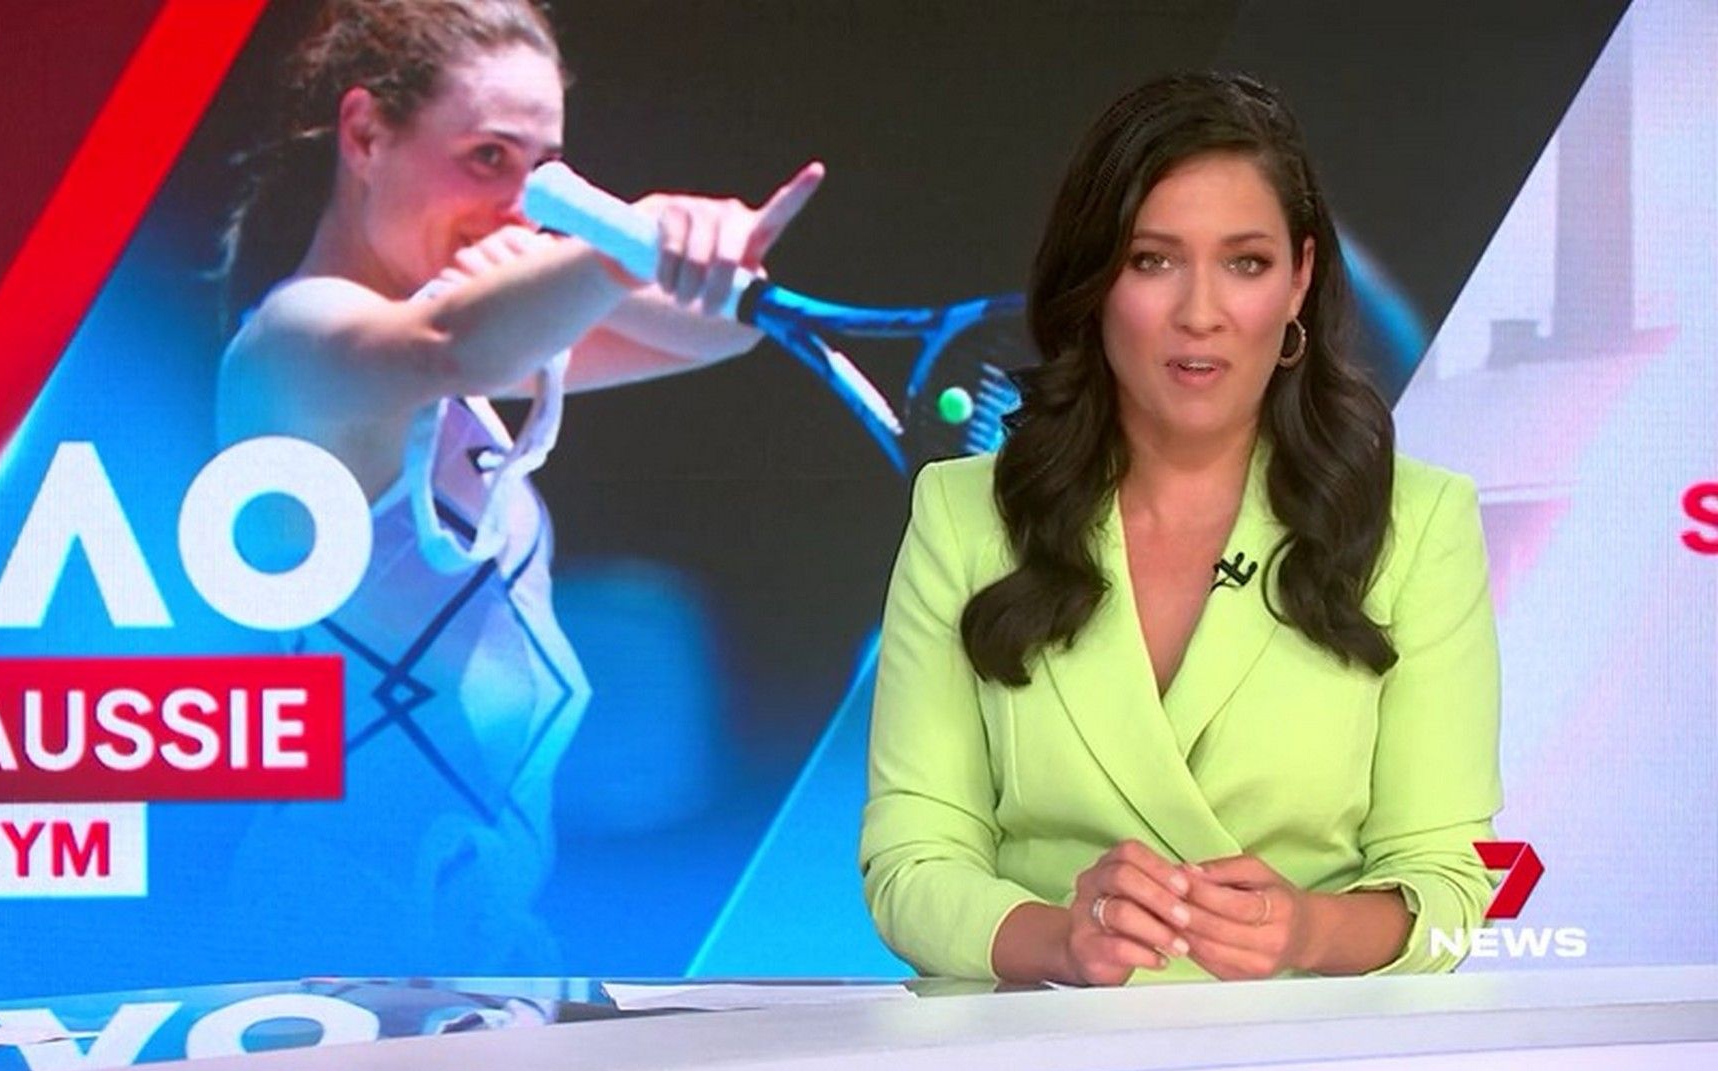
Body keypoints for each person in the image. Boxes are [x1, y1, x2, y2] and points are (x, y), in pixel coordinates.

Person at [213, 0, 820, 973]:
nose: (518, 205)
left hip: (472, 953)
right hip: (324, 958)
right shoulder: (298, 342)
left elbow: (720, 332)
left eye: (544, 175)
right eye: (488, 158)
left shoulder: (455, 353)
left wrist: (681, 250)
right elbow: (454, 342)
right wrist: (629, 237)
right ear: (365, 135)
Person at [860, 72, 1501, 986]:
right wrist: (1062, 940)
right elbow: (913, 860)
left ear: (1299, 279)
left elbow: (1449, 894)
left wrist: (1308, 932)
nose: (1200, 314)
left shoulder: (1418, 523)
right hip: (1040, 1038)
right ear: (1094, 281)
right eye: (1153, 261)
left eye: (1246, 263)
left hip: (1301, 1045)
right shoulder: (963, 515)